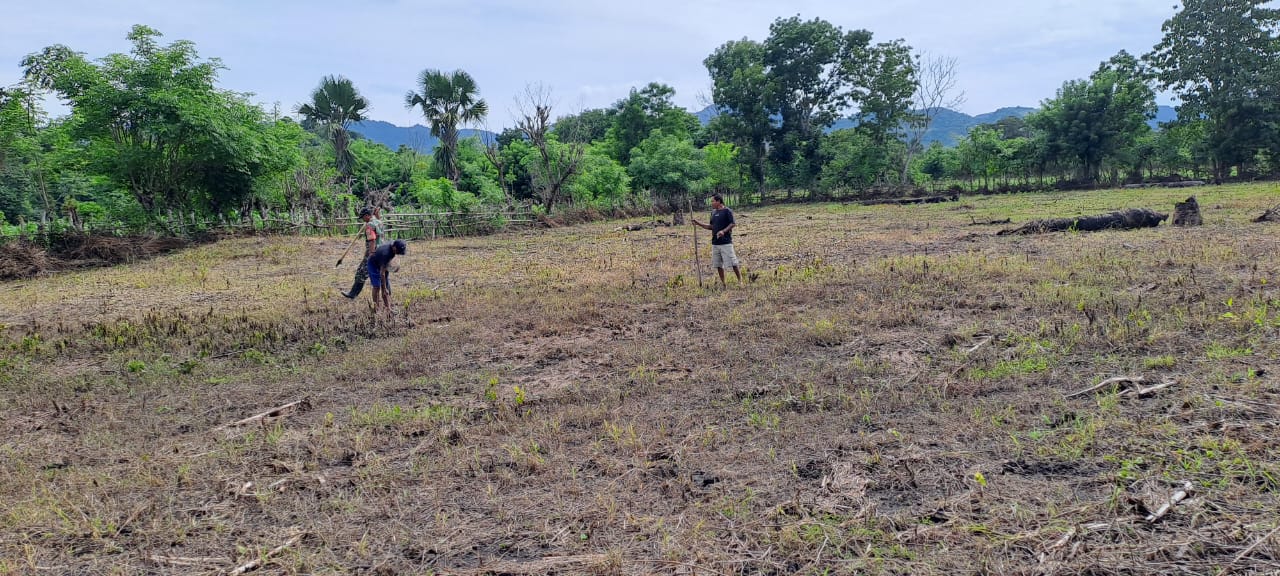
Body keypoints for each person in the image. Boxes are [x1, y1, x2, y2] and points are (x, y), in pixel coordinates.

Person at [691, 194, 741, 286]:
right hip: (715, 242)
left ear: (719, 201)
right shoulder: (713, 212)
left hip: (726, 242)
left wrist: (723, 231)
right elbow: (711, 227)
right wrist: (698, 223)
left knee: (733, 262)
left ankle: (740, 281)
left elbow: (732, 224)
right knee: (718, 265)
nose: (712, 203)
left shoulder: (727, 211)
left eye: (713, 201)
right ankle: (723, 283)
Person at [341, 207, 382, 299]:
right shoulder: (379, 222)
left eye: (363, 217)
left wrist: (370, 255)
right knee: (382, 274)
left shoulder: (369, 226)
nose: (363, 219)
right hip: (381, 252)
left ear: (367, 215)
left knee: (361, 273)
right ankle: (388, 293)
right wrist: (377, 215)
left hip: (372, 253)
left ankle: (352, 294)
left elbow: (372, 241)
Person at [367, 239, 407, 314]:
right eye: (399, 251)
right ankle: (376, 308)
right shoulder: (386, 254)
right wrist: (384, 288)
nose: (399, 254)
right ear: (395, 248)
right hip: (373, 264)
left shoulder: (393, 245)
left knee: (386, 287)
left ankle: (388, 308)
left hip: (382, 263)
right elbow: (382, 273)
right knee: (377, 286)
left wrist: (385, 287)